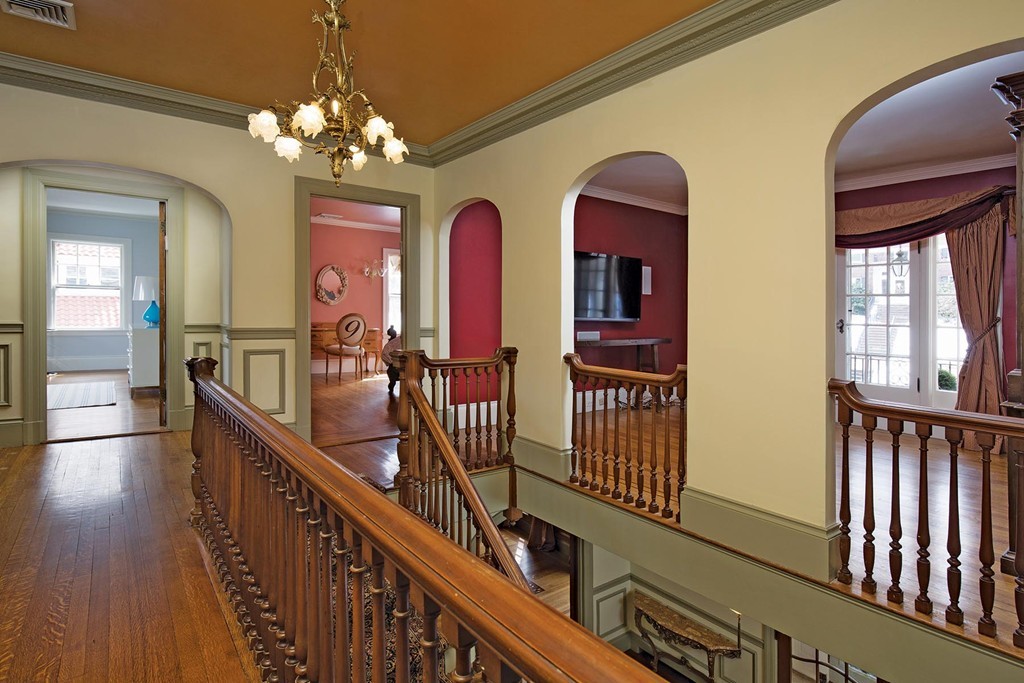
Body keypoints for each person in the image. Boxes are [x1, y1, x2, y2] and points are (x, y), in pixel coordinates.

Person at [381, 325, 402, 395]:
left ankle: (392, 384)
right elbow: (385, 354)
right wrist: (391, 362)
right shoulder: (393, 343)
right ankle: (392, 384)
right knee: (392, 369)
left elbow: (384, 354)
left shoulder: (392, 343)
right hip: (395, 365)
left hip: (395, 366)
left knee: (392, 369)